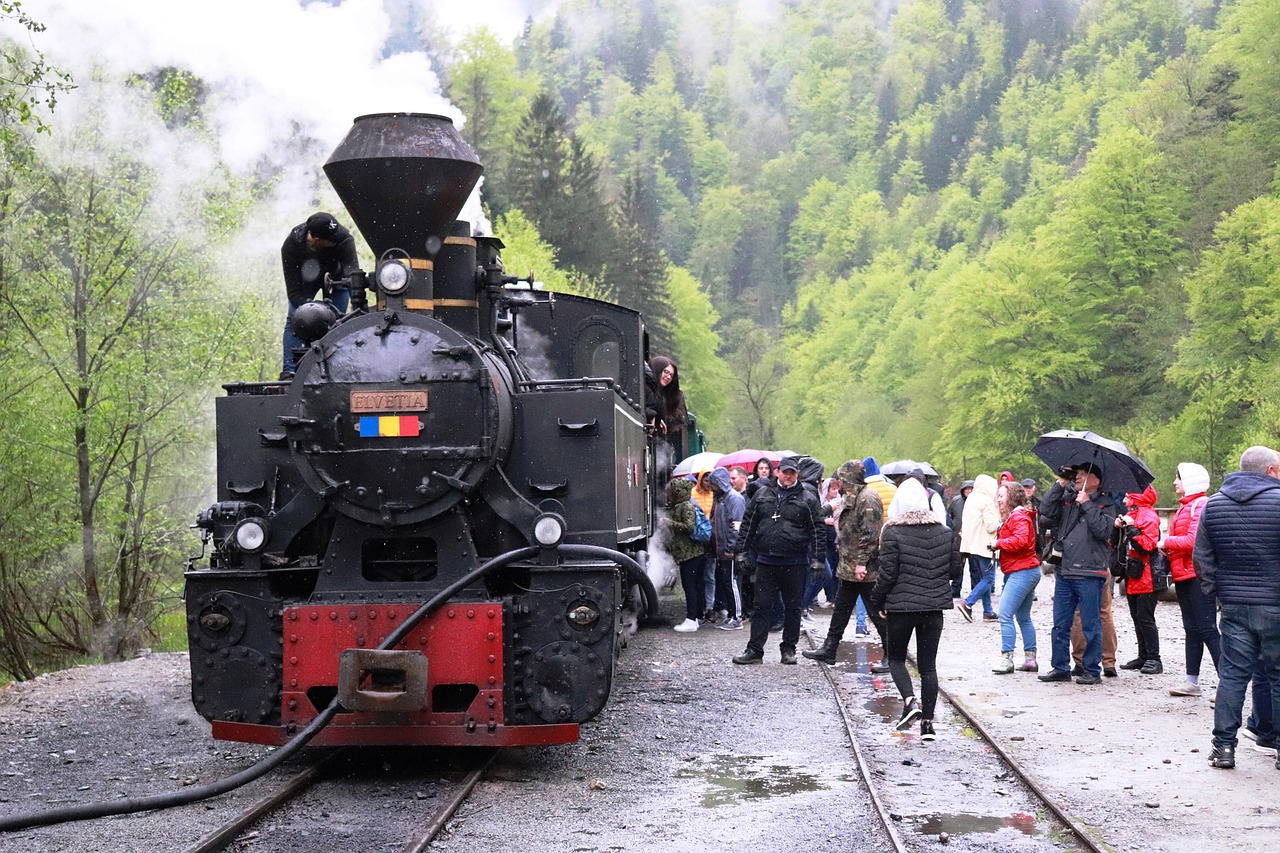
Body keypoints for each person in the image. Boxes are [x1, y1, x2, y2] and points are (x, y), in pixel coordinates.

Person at [1193, 445, 1280, 770]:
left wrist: (1219, 591)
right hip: (1275, 604)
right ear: (1270, 471)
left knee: (1232, 677)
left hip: (1233, 606)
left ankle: (1224, 749)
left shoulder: (1214, 505)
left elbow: (1201, 558)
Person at [869, 478, 963, 740]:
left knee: (897, 658)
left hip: (901, 607)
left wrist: (877, 601)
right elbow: (955, 571)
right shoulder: (945, 532)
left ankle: (911, 703)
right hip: (933, 609)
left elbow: (887, 575)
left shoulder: (892, 532)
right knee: (928, 666)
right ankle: (928, 725)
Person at [733, 456, 825, 665]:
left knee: (793, 607)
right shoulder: (762, 495)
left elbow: (817, 530)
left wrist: (819, 559)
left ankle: (788, 649)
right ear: (778, 472)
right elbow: (748, 525)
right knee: (761, 606)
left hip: (795, 562)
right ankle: (755, 649)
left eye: (792, 472)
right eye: (785, 472)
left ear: (797, 474)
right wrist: (741, 552)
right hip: (766, 561)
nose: (788, 476)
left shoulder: (807, 499)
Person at [803, 460, 888, 670]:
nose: (839, 483)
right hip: (848, 567)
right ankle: (829, 649)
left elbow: (871, 535)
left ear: (849, 479)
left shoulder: (868, 498)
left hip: (864, 570)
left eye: (841, 479)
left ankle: (892, 655)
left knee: (876, 612)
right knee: (841, 610)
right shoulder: (852, 496)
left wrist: (861, 563)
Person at [1037, 462, 1117, 685]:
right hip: (1065, 570)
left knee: (1091, 623)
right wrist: (1060, 483)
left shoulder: (1106, 503)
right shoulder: (1068, 498)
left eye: (1083, 474)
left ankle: (1092, 669)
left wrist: (1088, 504)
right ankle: (1060, 667)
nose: (1078, 478)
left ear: (1096, 481)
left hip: (1091, 571)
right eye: (1077, 474)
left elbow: (1103, 531)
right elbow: (1046, 511)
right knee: (1060, 623)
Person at [1159, 462, 1219, 698]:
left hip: (1198, 575)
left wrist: (1165, 543)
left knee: (1207, 628)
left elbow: (1194, 541)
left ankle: (1228, 683)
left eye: (1179, 478)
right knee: (1191, 629)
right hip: (1184, 574)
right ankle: (1191, 681)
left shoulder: (1200, 505)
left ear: (1190, 481)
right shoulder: (1186, 507)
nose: (1175, 482)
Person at [280, 212, 358, 378]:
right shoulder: (291, 246)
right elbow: (293, 293)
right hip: (304, 282)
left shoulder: (343, 238)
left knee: (338, 321)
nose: (336, 238)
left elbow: (353, 277)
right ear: (316, 239)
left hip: (336, 278)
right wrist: (313, 310)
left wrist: (358, 305)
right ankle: (289, 370)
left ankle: (337, 367)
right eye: (332, 238)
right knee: (295, 318)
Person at [990, 481, 1041, 674]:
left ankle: (1007, 659)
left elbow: (1020, 541)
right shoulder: (1017, 515)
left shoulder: (1018, 516)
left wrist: (998, 543)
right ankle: (1030, 659)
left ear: (1012, 497)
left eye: (1002, 496)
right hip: (1026, 570)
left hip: (1023, 571)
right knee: (1023, 616)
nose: (998, 499)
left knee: (1004, 614)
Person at [1116, 485, 1163, 674]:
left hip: (1147, 574)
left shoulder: (1149, 517)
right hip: (1134, 573)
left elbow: (1149, 546)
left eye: (1128, 497)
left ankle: (1154, 658)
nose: (1124, 501)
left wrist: (1131, 527)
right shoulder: (1134, 515)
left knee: (1145, 617)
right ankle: (1143, 656)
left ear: (1137, 499)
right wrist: (1120, 526)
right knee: (1137, 617)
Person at [663, 477, 707, 633]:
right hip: (690, 553)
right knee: (694, 586)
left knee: (690, 587)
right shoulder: (682, 505)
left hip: (691, 553)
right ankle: (695, 617)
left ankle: (691, 619)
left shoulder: (686, 506)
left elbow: (688, 527)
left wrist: (668, 523)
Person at [956, 474, 1000, 622]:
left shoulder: (971, 499)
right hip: (985, 545)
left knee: (983, 578)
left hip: (972, 544)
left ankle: (988, 611)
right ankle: (967, 603)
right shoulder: (987, 501)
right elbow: (990, 526)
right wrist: (1002, 522)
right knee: (989, 579)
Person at [708, 468, 746, 631]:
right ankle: (732, 615)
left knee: (732, 583)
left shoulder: (734, 499)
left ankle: (737, 618)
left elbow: (736, 526)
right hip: (721, 549)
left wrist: (731, 547)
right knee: (726, 583)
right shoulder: (720, 499)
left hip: (729, 550)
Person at [648, 356, 688, 460]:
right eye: (666, 372)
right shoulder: (648, 388)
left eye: (671, 375)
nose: (668, 377)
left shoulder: (664, 396)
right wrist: (652, 415)